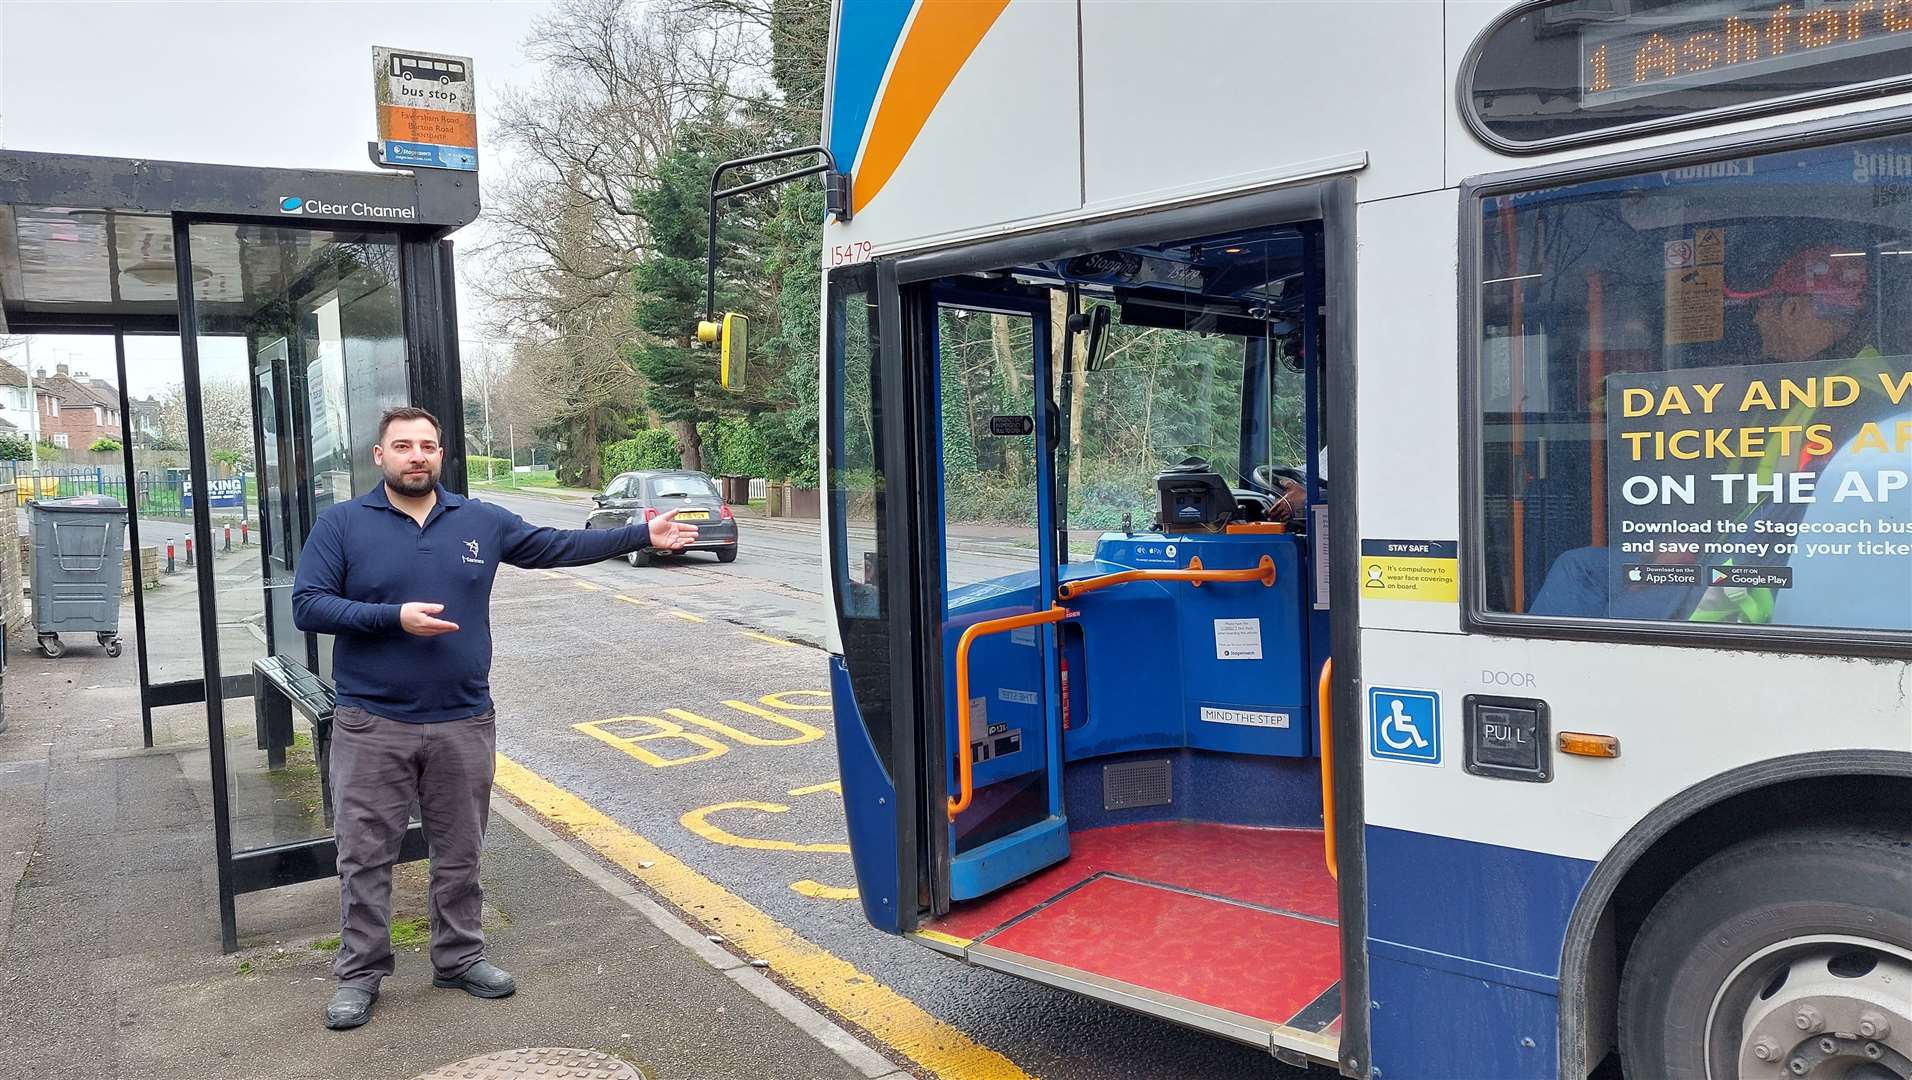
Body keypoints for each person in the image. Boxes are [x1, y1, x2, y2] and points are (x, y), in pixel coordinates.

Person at [292, 406, 698, 1031]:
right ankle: (360, 974)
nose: (417, 455)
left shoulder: (478, 519)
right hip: (372, 723)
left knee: (460, 850)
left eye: (427, 445)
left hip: (463, 720)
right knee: (365, 855)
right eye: (403, 446)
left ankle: (457, 957)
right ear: (380, 457)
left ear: (441, 454)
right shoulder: (343, 524)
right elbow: (309, 606)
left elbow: (557, 546)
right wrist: (391, 617)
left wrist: (642, 534)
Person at [1531, 244, 1876, 619]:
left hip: (1742, 583)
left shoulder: (1845, 402)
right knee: (1580, 567)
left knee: (1595, 588)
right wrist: (1690, 540)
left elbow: (1781, 531)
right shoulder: (1822, 383)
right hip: (1726, 555)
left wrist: (1701, 591)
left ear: (1792, 309)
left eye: (1760, 307)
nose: (1756, 321)